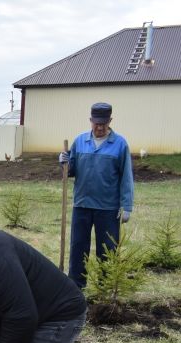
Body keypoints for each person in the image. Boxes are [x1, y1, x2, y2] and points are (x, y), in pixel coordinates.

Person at [59, 102, 134, 288]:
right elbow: (71, 170)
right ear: (90, 120)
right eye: (96, 123)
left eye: (104, 123)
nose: (99, 127)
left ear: (110, 121)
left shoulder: (119, 144)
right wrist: (64, 163)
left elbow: (126, 177)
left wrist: (127, 206)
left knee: (107, 248)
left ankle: (105, 285)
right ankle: (76, 285)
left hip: (108, 208)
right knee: (78, 247)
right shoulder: (80, 141)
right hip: (82, 204)